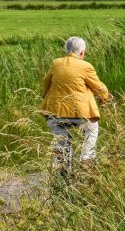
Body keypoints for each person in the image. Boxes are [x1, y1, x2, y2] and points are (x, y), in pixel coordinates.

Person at [41, 37, 113, 173]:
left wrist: (45, 97)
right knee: (92, 128)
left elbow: (46, 83)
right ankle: (86, 158)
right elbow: (98, 87)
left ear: (67, 50)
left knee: (61, 141)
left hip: (55, 113)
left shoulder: (56, 63)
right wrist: (106, 98)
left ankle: (63, 166)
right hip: (80, 113)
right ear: (81, 53)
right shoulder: (85, 66)